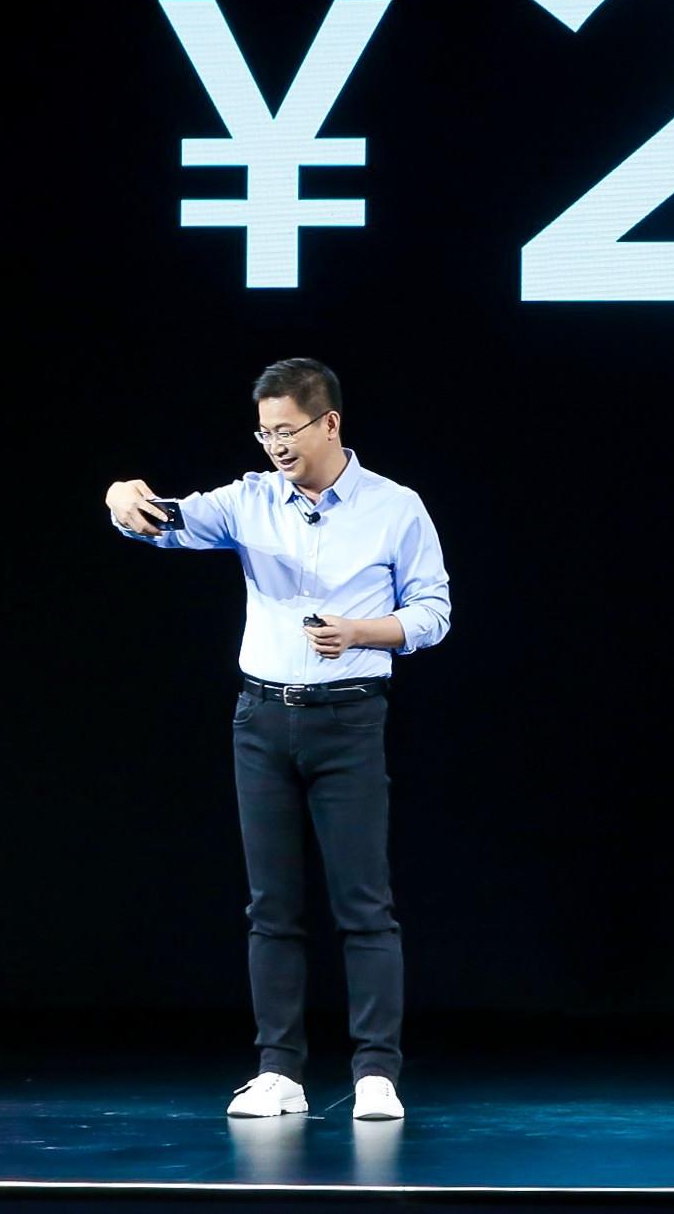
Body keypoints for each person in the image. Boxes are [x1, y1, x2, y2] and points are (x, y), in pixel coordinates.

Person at [103, 357, 451, 1122]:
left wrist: (361, 631)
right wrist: (122, 497)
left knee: (363, 903)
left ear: (330, 423)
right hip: (260, 721)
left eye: (287, 431)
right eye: (265, 434)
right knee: (272, 906)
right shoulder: (249, 500)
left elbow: (433, 612)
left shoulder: (395, 508)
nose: (276, 447)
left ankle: (375, 1072)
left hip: (349, 718)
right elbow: (162, 520)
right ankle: (279, 1071)